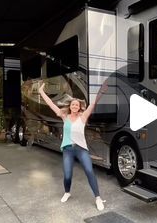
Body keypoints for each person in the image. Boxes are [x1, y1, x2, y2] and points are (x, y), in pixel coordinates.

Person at [38, 82, 107, 210]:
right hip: (68, 150)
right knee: (68, 174)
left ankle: (98, 198)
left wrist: (101, 92)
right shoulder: (65, 116)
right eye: (73, 104)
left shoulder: (83, 116)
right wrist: (41, 92)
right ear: (70, 106)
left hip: (81, 149)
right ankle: (67, 192)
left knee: (89, 171)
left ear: (79, 107)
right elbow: (51, 104)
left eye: (77, 104)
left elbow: (93, 104)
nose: (75, 106)